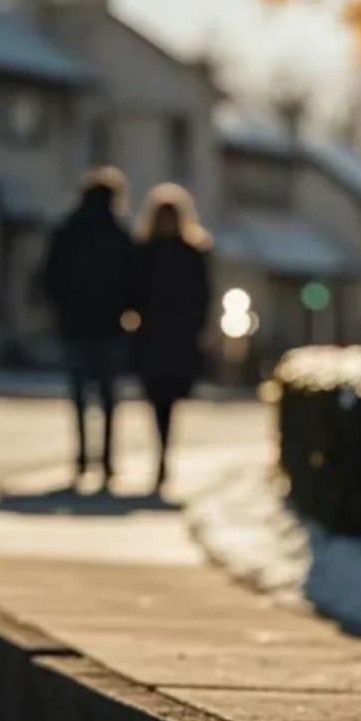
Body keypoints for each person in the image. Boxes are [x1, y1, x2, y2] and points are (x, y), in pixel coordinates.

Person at [43, 167, 134, 486]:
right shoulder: (119, 234)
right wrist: (128, 311)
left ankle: (82, 459)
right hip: (109, 325)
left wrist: (62, 307)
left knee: (80, 396)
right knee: (109, 399)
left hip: (75, 324)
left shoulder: (68, 230)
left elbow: (49, 276)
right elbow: (133, 281)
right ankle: (107, 462)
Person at [133, 183, 212, 492]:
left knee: (167, 403)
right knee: (157, 402)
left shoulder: (191, 253)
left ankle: (164, 457)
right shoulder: (147, 252)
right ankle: (161, 456)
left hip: (175, 340)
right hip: (155, 338)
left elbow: (202, 297)